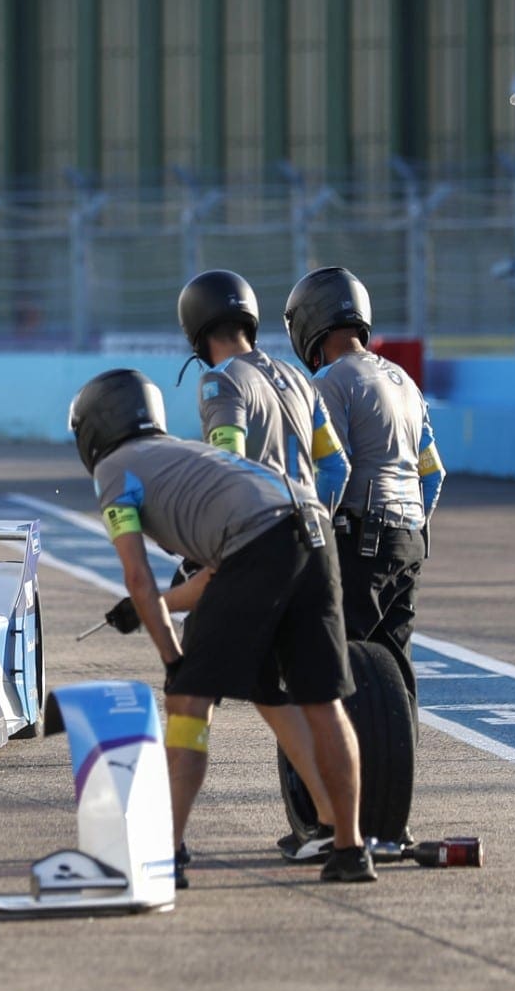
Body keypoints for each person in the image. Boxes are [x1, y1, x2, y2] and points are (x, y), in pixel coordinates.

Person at [71, 368, 375, 884]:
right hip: (312, 528)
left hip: (261, 545)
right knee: (321, 701)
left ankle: (165, 855)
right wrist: (163, 607)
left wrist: (173, 661)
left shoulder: (114, 472)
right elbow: (219, 578)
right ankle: (348, 846)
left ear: (93, 429)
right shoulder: (188, 453)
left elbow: (137, 577)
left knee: (188, 704)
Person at [137, 268, 353, 864]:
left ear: (195, 327)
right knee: (276, 690)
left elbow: (223, 467)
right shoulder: (295, 377)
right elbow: (336, 469)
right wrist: (310, 512)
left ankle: (169, 841)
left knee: (190, 690)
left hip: (247, 546)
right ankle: (333, 824)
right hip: (312, 542)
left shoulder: (219, 383)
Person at [285, 269, 444, 718]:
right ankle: (398, 771)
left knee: (330, 663)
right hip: (409, 539)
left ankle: (327, 777)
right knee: (396, 669)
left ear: (308, 325)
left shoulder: (329, 382)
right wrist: (414, 525)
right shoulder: (404, 383)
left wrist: (310, 534)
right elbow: (434, 474)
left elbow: (335, 469)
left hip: (361, 537)